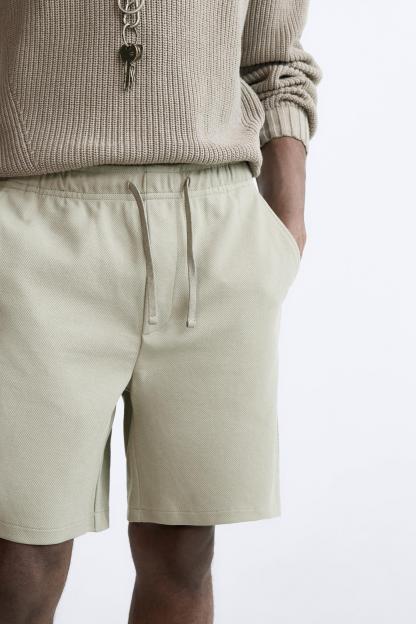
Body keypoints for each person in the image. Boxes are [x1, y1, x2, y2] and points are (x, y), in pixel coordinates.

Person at [0, 0, 321, 622]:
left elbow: (276, 61)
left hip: (213, 227)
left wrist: (288, 220)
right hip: (33, 225)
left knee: (184, 550)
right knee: (19, 557)